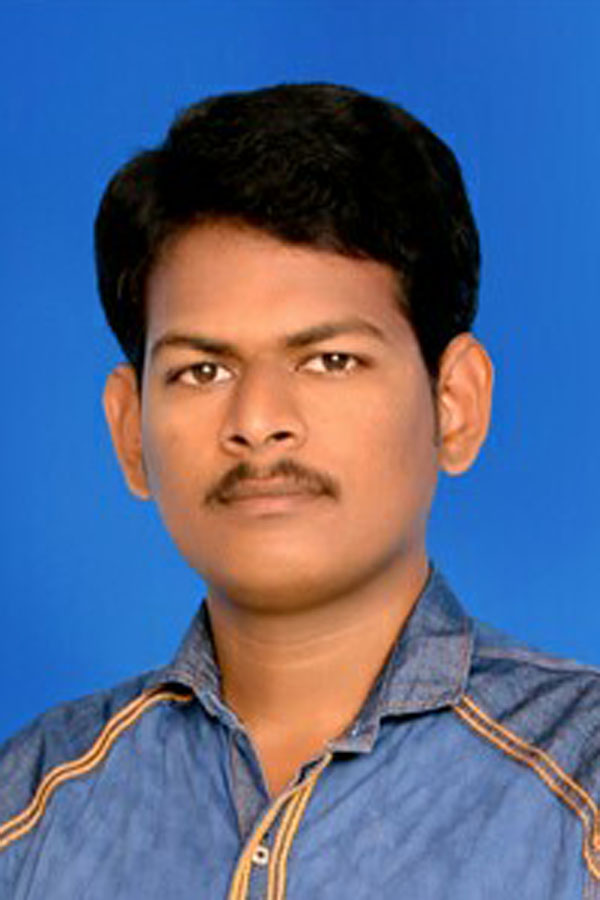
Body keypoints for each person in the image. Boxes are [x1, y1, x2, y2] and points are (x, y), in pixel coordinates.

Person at [0, 82, 598, 900]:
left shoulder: (581, 788)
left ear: (455, 403)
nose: (258, 422)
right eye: (202, 371)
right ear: (130, 430)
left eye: (330, 361)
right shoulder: (29, 811)